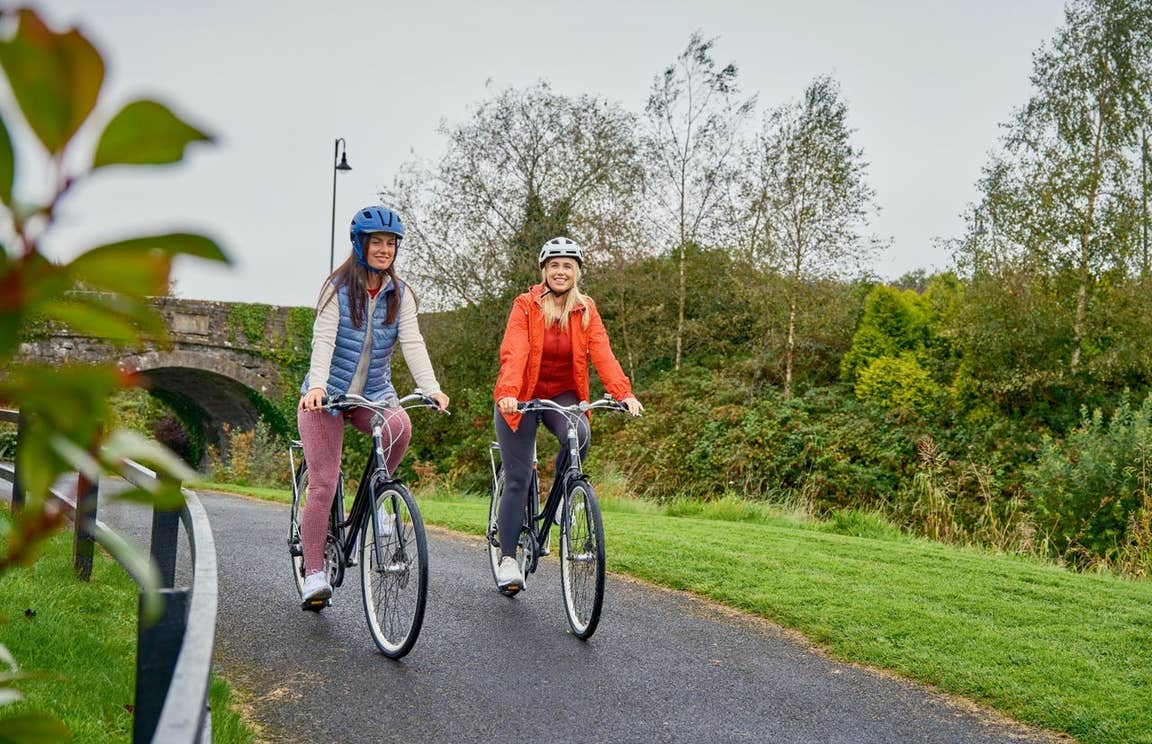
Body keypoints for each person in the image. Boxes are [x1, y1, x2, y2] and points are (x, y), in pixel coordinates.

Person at [297, 204, 449, 606]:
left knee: (400, 425)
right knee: (325, 483)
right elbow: (324, 341)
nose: (384, 249)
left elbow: (413, 343)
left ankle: (380, 502)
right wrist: (316, 387)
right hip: (326, 397)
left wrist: (430, 387)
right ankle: (314, 572)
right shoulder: (337, 289)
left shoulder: (401, 295)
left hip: (373, 393)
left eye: (391, 243)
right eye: (376, 242)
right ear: (360, 245)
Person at [492, 236, 642, 592]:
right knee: (517, 478)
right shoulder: (525, 306)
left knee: (581, 434)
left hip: (563, 395)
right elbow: (515, 351)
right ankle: (509, 560)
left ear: (577, 273)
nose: (561, 271)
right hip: (523, 396)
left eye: (568, 266)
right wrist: (510, 393)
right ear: (544, 271)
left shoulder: (585, 309)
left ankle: (561, 501)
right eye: (555, 265)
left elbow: (602, 353)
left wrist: (623, 393)